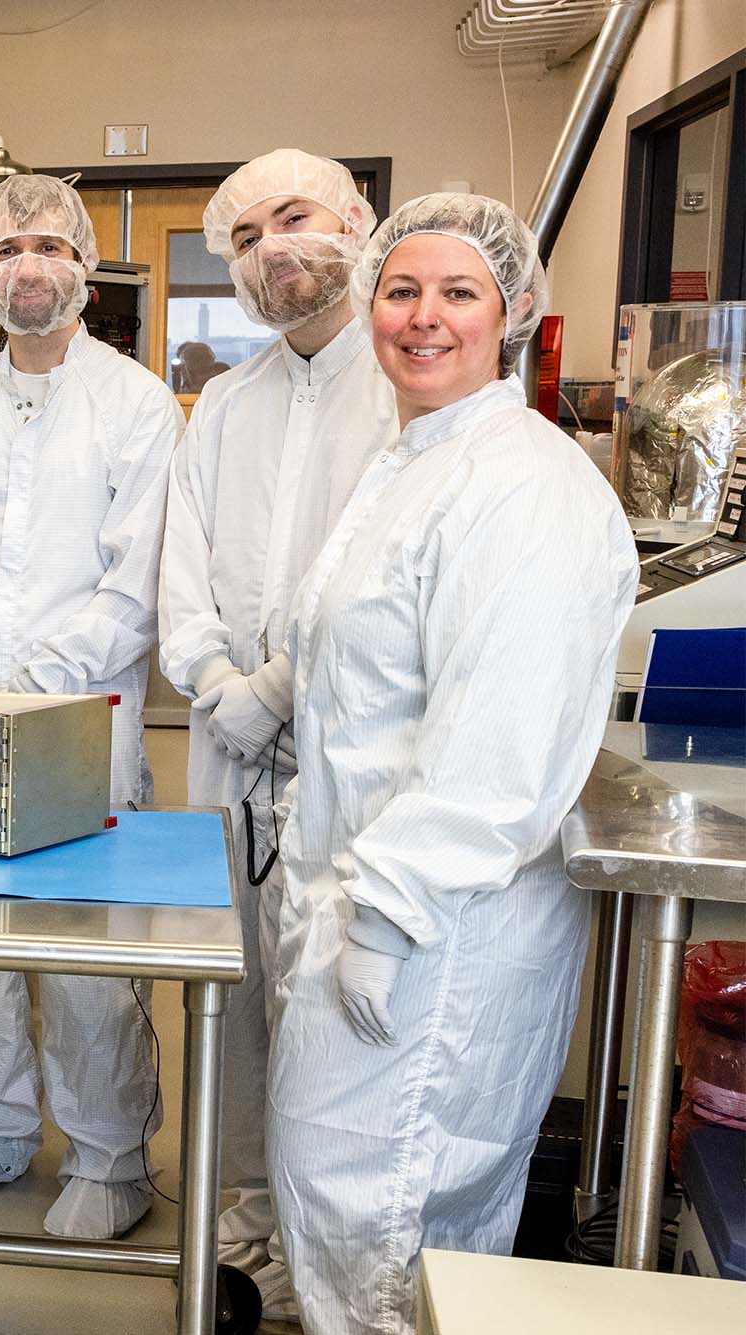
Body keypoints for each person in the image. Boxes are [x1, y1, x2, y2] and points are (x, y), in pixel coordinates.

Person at [266, 193, 637, 1334]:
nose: (422, 318)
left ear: (512, 309)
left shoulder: (521, 488)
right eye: (399, 289)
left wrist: (382, 916)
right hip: (358, 897)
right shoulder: (412, 460)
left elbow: (498, 751)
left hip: (428, 934)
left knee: (388, 1245)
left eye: (456, 292)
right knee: (346, 1222)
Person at [0, 173, 180, 1239]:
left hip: (78, 729)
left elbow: (132, 582)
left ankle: (107, 1157)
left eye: (49, 247)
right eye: (5, 251)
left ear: (85, 266)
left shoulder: (134, 405)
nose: (29, 268)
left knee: (85, 953)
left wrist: (35, 689)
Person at [158, 148, 398, 1319]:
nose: (271, 251)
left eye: (292, 218)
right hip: (228, 754)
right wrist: (220, 684)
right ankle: (245, 1231)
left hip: (353, 770)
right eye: (244, 237)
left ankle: (329, 1262)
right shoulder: (228, 406)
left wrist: (282, 692)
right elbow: (180, 573)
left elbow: (382, 587)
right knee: (239, 1001)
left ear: (356, 219)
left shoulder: (409, 389)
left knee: (336, 1013)